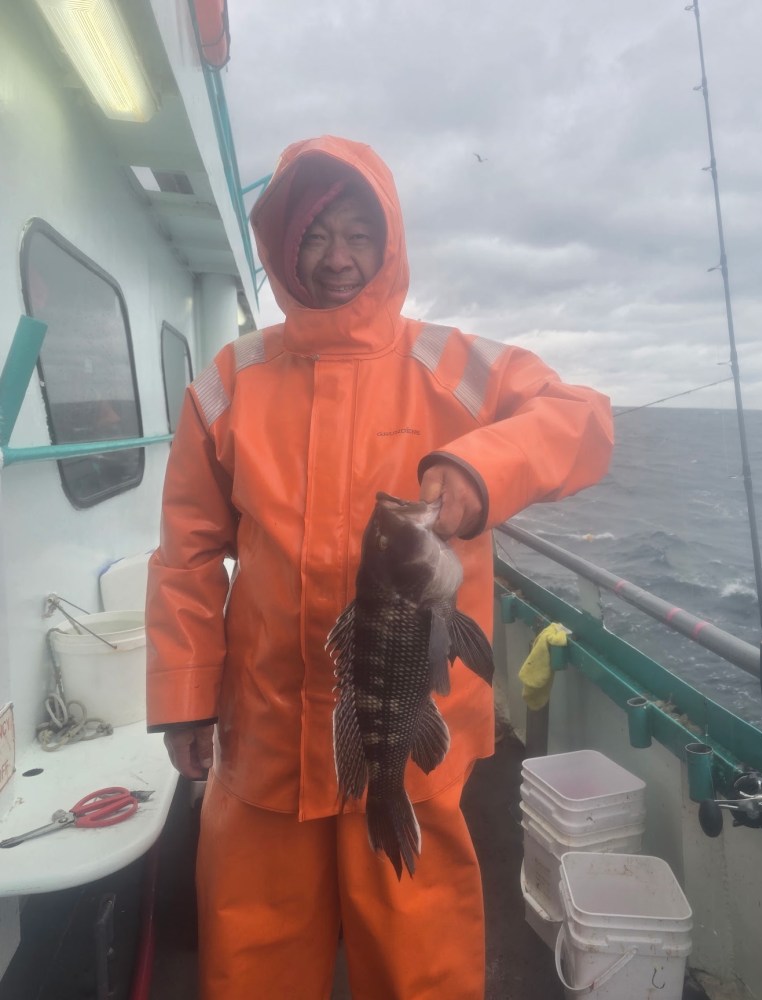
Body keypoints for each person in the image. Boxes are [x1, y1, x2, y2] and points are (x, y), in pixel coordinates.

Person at [146, 135, 613, 1000]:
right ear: (283, 247)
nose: (338, 259)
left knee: (417, 972)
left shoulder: (453, 366)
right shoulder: (229, 382)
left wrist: (479, 473)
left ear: (390, 242)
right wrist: (183, 697)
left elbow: (584, 420)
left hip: (412, 735)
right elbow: (188, 553)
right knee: (249, 969)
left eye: (359, 235)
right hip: (264, 738)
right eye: (316, 236)